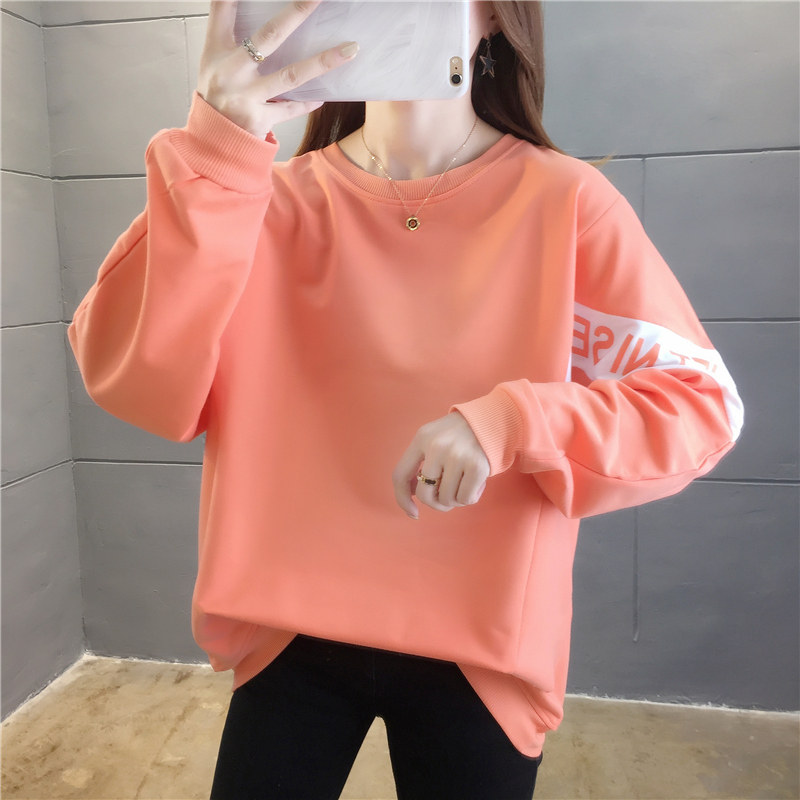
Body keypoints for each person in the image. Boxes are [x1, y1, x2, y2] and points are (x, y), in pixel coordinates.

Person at [67, 0, 744, 797]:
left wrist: (514, 422)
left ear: (494, 17)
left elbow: (699, 404)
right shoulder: (255, 198)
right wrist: (218, 149)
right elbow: (136, 379)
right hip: (291, 632)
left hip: (480, 650)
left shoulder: (566, 203)